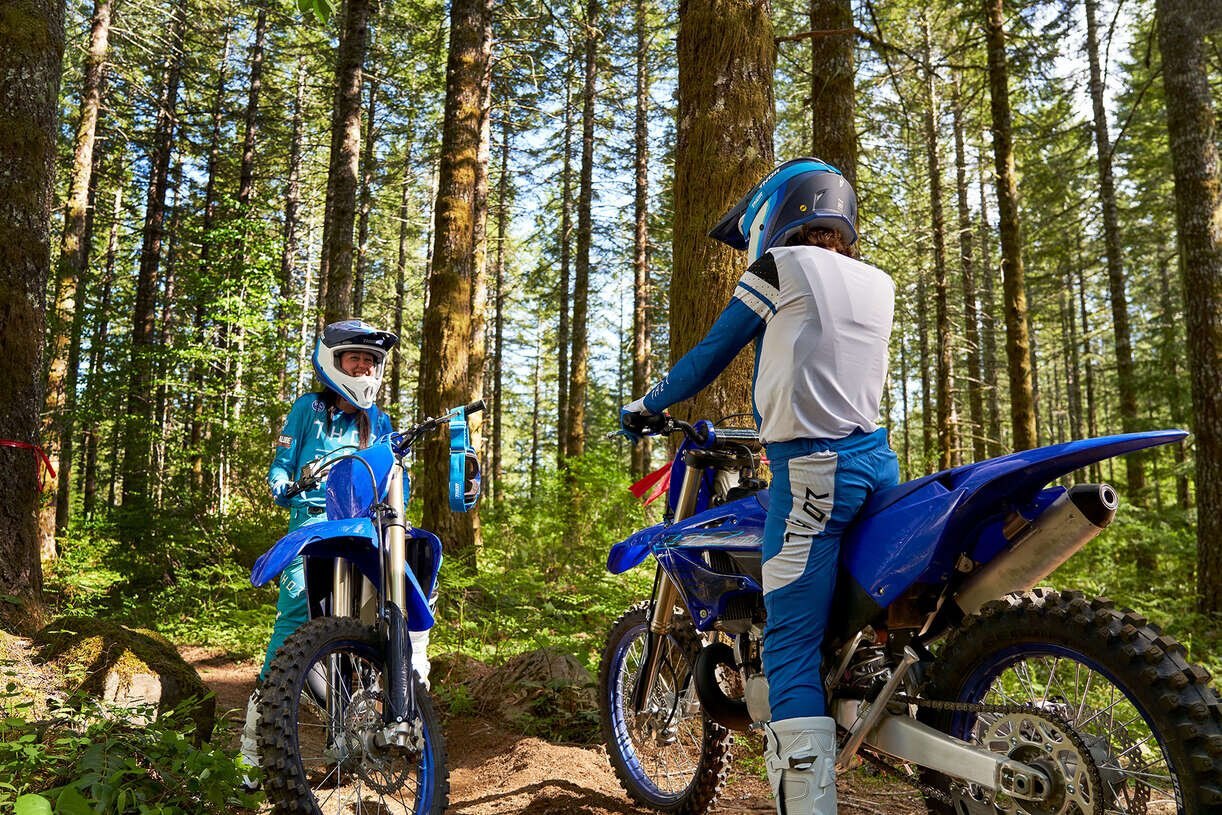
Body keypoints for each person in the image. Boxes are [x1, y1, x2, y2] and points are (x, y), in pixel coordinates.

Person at [620, 158, 899, 815]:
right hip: (876, 464)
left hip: (812, 475)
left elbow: (709, 355)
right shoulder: (876, 280)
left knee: (789, 644)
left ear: (777, 215)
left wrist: (646, 404)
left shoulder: (782, 267)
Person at [240, 319, 433, 785]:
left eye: (370, 361)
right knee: (295, 613)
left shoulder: (378, 419)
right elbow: (281, 465)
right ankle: (254, 746)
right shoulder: (307, 409)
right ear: (333, 361)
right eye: (355, 359)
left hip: (364, 525)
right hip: (313, 524)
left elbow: (392, 470)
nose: (363, 367)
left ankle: (407, 693)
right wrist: (285, 484)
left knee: (403, 589)